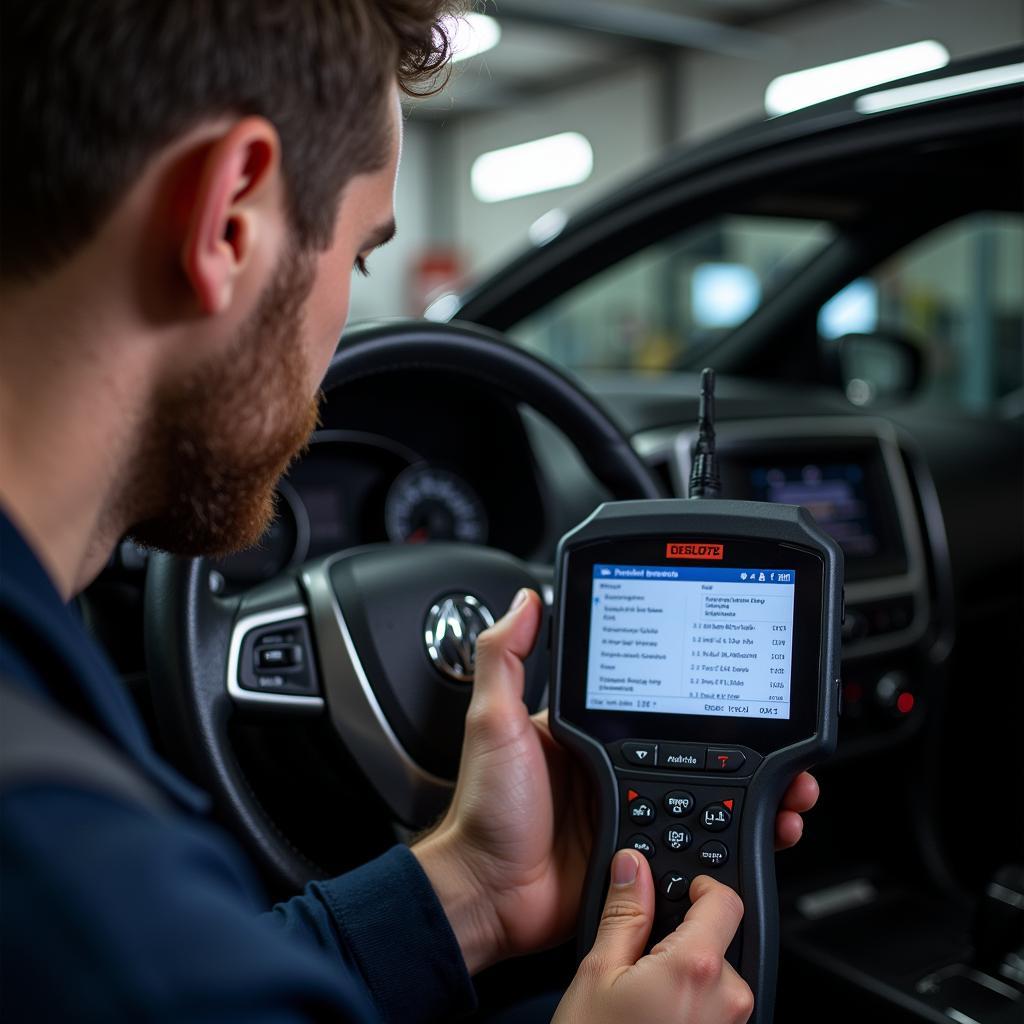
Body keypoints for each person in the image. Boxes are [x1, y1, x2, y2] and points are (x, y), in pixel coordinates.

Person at [0, 3, 820, 1021]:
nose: (348, 310)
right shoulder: (78, 880)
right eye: (355, 256)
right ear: (227, 216)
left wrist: (474, 886)